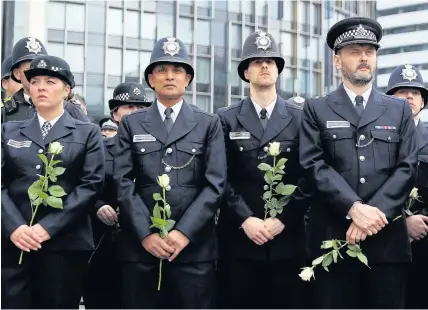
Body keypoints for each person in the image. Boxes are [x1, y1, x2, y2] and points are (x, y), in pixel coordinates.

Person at [299, 17, 418, 308]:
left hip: (386, 244)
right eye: (354, 51)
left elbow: (407, 167)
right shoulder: (316, 108)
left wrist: (371, 217)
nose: (364, 57)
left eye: (369, 51)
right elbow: (313, 164)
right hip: (333, 242)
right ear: (337, 61)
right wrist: (352, 208)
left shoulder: (399, 110)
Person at [114, 36, 226, 309]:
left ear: (187, 79)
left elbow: (215, 184)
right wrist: (146, 234)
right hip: (141, 249)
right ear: (151, 79)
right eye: (161, 70)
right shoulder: (131, 124)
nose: (169, 76)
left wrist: (183, 233)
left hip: (193, 250)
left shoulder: (208, 124)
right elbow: (123, 182)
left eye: (177, 70)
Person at [216, 30, 311, 309]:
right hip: (239, 241)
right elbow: (219, 175)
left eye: (271, 61)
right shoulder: (225, 119)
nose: (265, 66)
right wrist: (246, 219)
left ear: (278, 70)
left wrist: (284, 218)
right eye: (257, 61)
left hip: (288, 241)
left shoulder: (301, 118)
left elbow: (310, 175)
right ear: (246, 71)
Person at [1, 55, 105, 309]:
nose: (41, 87)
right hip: (15, 241)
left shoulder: (87, 132)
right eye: (35, 81)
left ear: (67, 90)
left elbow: (90, 185)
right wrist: (15, 227)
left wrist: (46, 228)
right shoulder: (9, 130)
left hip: (64, 244)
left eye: (50, 81)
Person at [83, 82, 151, 309]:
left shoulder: (157, 149)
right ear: (115, 114)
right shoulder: (99, 147)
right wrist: (98, 205)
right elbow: (83, 184)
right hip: (106, 242)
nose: (134, 113)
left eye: (140, 108)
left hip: (146, 242)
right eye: (128, 107)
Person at [386, 64, 428, 309]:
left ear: (423, 101)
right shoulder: (375, 138)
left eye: (415, 92)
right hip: (387, 236)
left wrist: (421, 221)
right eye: (402, 91)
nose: (409, 96)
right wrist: (403, 222)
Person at [1, 37, 89, 123]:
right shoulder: (5, 113)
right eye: (30, 70)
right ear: (17, 74)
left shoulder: (70, 110)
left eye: (42, 70)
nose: (37, 75)